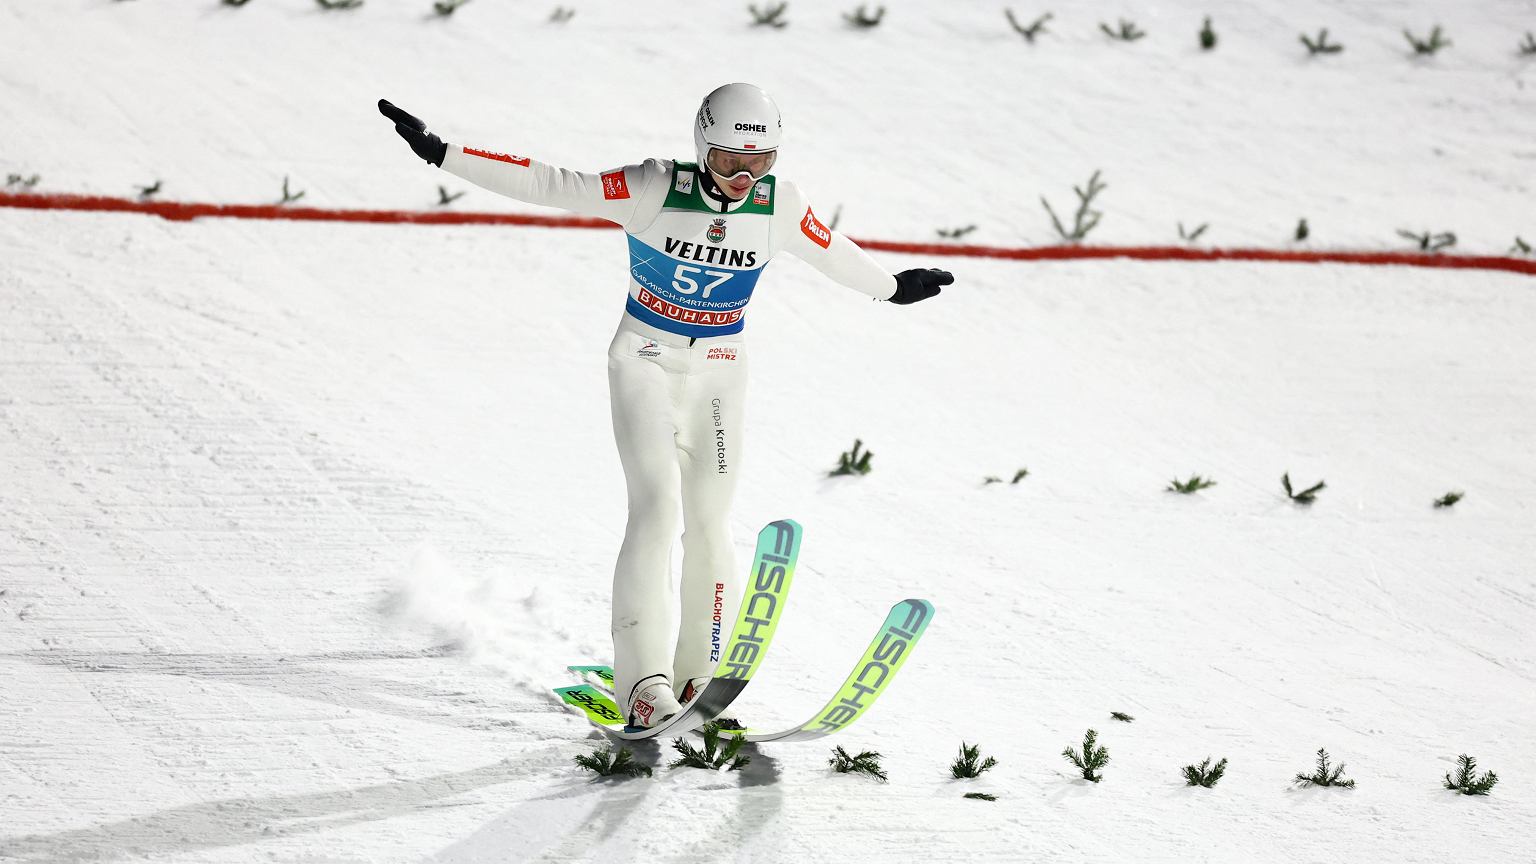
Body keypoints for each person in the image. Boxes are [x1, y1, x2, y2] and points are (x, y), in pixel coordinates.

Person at [378, 83, 951, 729]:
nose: (744, 175)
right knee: (657, 508)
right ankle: (644, 686)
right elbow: (551, 183)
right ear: (703, 146)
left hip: (720, 371)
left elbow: (831, 250)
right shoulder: (653, 187)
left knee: (711, 521)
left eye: (760, 162)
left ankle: (701, 675)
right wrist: (442, 153)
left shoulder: (779, 205)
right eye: (731, 159)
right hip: (644, 361)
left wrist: (893, 287)